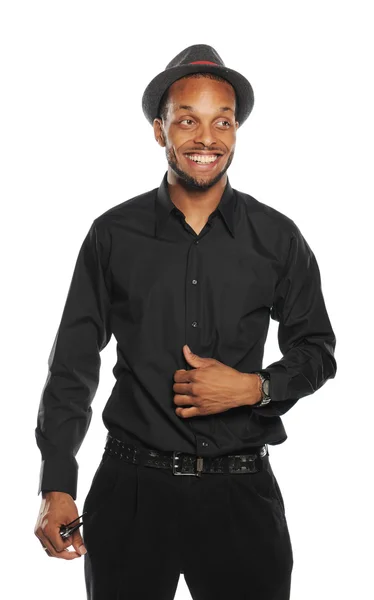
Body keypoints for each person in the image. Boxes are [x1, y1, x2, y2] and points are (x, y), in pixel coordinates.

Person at [34, 44, 337, 600]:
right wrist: (57, 482)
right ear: (160, 131)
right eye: (188, 121)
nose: (207, 139)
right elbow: (73, 365)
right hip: (129, 491)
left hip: (241, 492)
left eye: (222, 122)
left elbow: (317, 349)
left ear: (236, 132)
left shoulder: (277, 237)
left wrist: (255, 387)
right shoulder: (112, 235)